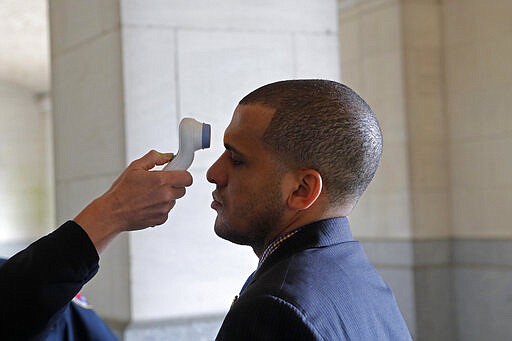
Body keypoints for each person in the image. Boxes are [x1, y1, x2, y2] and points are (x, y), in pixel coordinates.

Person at [207, 79, 412, 340]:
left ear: (302, 189)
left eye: (236, 160)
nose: (214, 173)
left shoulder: (275, 308)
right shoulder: (356, 276)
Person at [0, 150, 193, 340]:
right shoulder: (24, 282)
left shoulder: (21, 272)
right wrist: (111, 211)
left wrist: (112, 209)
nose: (212, 174)